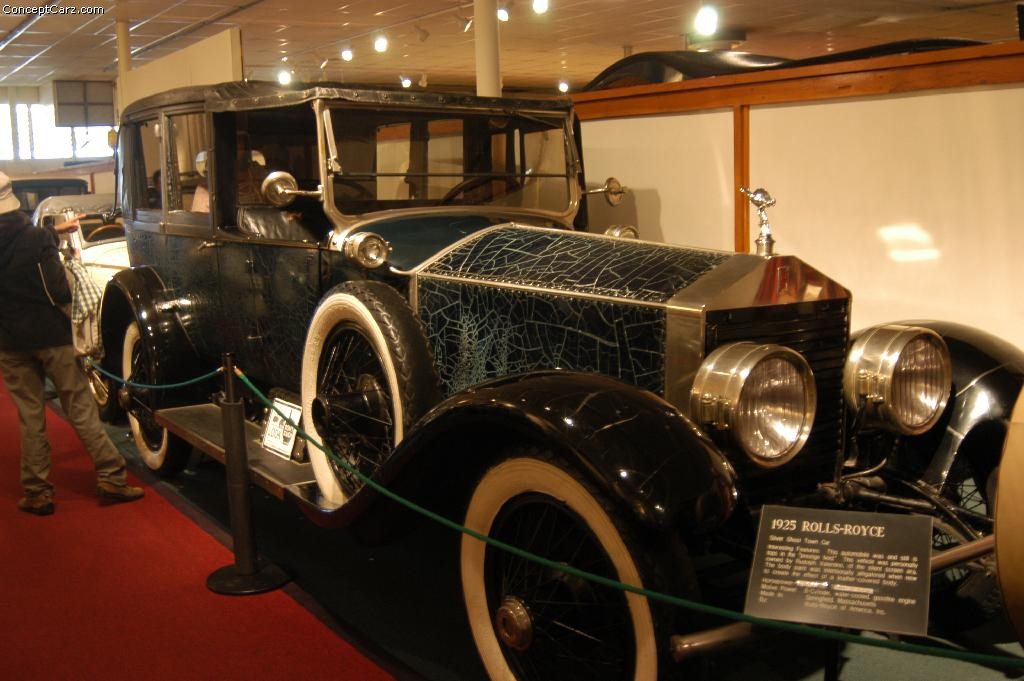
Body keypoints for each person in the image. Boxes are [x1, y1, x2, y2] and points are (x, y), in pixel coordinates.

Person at [0, 171, 144, 516]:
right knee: (80, 408)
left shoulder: (38, 236)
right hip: (51, 336)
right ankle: (111, 477)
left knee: (30, 416)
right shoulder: (36, 238)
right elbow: (59, 291)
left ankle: (37, 492)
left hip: (9, 342)